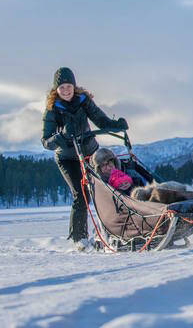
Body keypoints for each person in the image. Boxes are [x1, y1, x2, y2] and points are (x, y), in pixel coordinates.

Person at [41, 67, 128, 249]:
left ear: (74, 86)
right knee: (81, 196)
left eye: (68, 86)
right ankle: (79, 239)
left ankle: (117, 229)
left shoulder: (83, 101)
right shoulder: (52, 110)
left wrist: (116, 125)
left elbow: (100, 120)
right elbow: (46, 141)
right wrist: (62, 135)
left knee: (107, 190)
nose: (66, 90)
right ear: (56, 89)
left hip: (90, 153)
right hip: (68, 158)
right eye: (62, 87)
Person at [91, 147, 193, 204]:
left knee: (165, 187)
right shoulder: (102, 185)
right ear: (99, 169)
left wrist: (154, 182)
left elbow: (148, 177)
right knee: (152, 193)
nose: (108, 167)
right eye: (103, 166)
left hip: (146, 195)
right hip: (132, 205)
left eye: (109, 163)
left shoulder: (128, 168)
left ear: (114, 162)